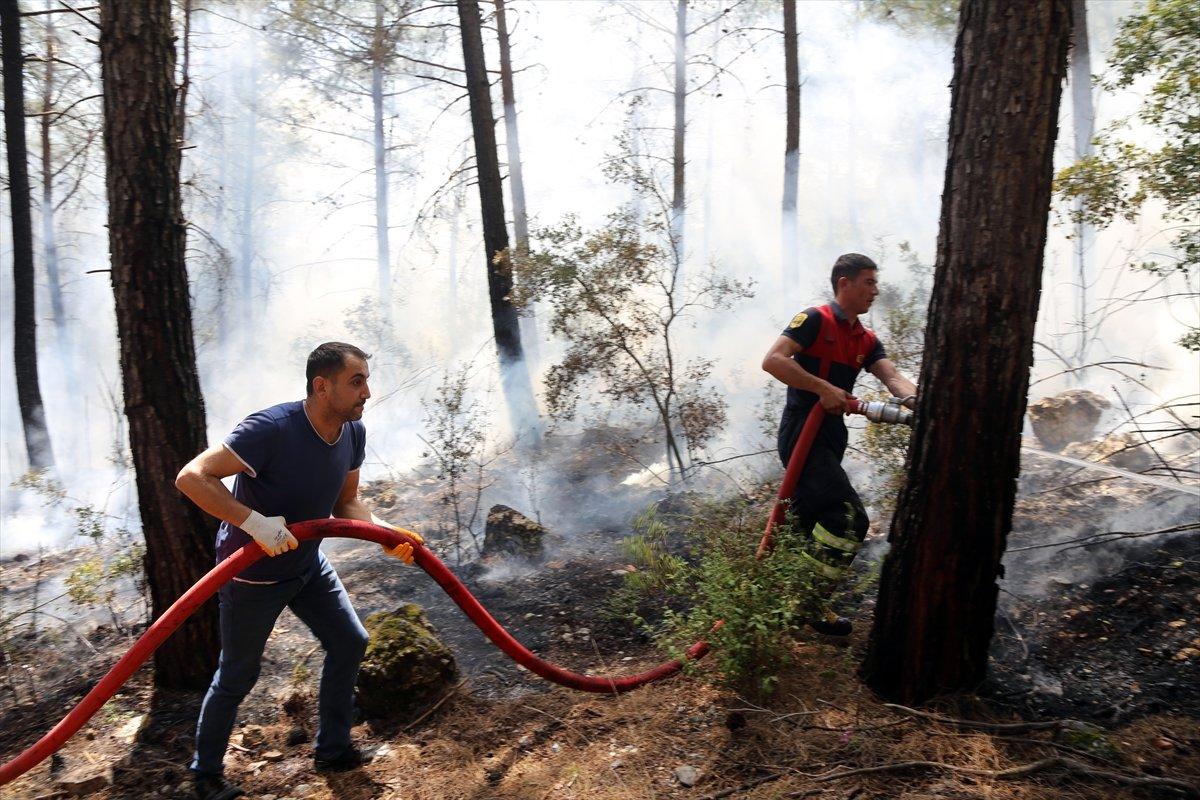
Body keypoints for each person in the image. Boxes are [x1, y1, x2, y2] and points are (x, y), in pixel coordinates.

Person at [174, 342, 421, 800]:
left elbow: (346, 503)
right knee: (238, 676)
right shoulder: (272, 428)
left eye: (366, 379)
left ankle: (333, 749)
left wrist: (387, 533)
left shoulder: (352, 432)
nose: (367, 391)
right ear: (321, 385)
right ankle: (204, 776)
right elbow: (191, 477)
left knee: (351, 640)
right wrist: (252, 523)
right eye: (356, 380)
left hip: (307, 563)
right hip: (253, 575)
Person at [762, 254, 917, 636]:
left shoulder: (864, 339)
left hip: (831, 437)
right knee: (848, 518)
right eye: (868, 282)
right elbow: (773, 361)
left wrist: (924, 403)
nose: (875, 291)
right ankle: (809, 604)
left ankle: (765, 605)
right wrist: (821, 387)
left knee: (800, 526)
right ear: (843, 283)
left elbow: (893, 378)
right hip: (802, 432)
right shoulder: (815, 320)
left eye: (875, 283)